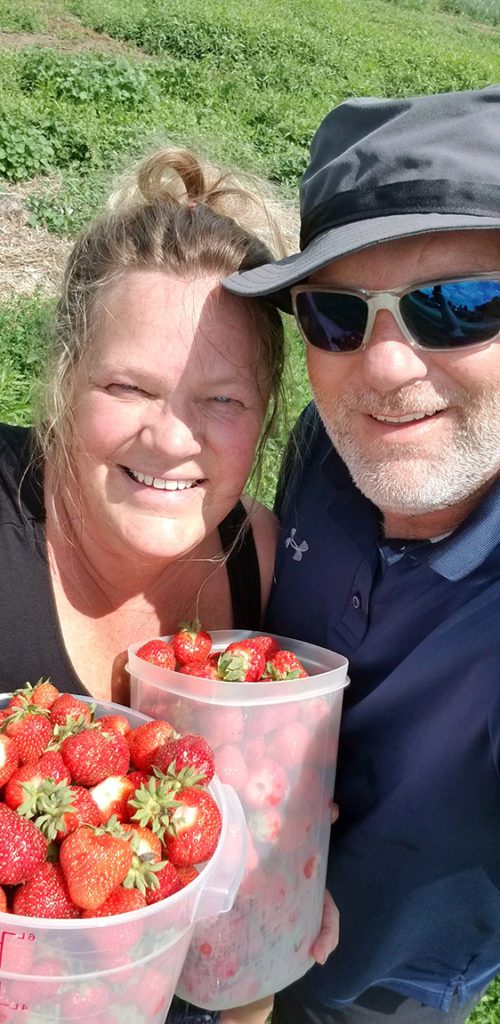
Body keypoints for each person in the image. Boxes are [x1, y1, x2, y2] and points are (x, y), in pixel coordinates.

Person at [0, 144, 337, 1024]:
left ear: (263, 415)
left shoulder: (263, 563)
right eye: (128, 386)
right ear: (68, 381)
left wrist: (272, 885)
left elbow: (257, 826)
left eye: (220, 401)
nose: (172, 438)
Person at [223, 86, 500, 1023]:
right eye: (338, 315)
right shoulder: (325, 444)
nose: (383, 367)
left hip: (383, 990)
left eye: (457, 305)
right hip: (218, 909)